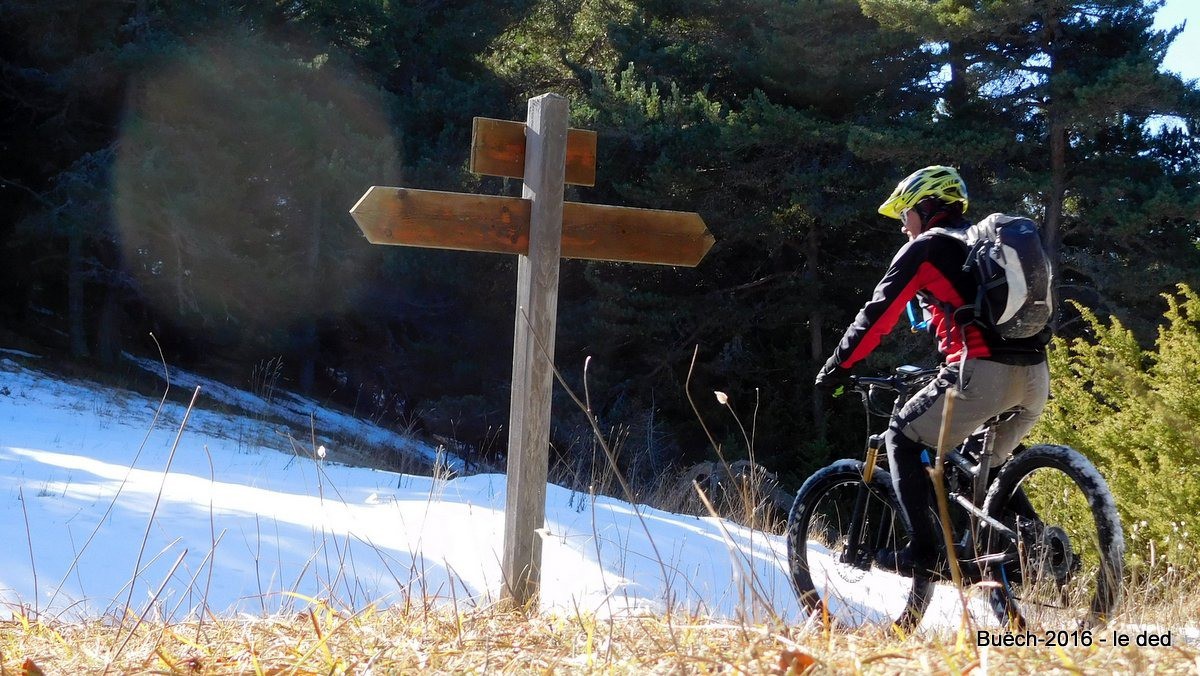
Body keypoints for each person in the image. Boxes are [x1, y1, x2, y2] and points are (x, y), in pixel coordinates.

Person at [814, 165, 1051, 576]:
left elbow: (878, 315)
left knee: (900, 436)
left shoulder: (926, 248)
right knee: (985, 463)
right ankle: (1042, 550)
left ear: (925, 209)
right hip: (1035, 378)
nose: (903, 228)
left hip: (980, 374)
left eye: (905, 216)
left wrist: (838, 364)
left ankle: (926, 552)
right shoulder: (983, 247)